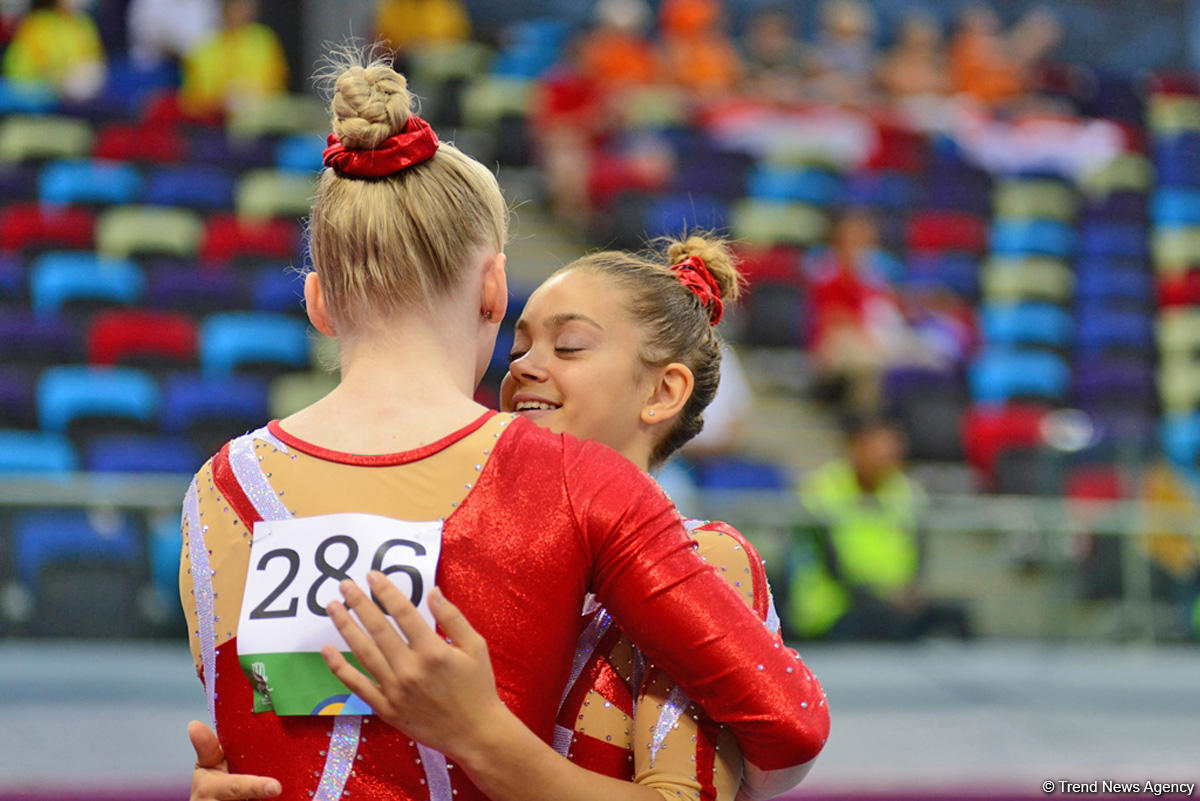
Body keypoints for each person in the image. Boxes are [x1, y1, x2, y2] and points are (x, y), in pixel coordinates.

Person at [181, 55, 827, 801]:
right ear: (493, 289)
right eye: (521, 345)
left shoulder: (217, 489)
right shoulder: (559, 484)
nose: (528, 371)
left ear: (319, 303)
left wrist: (479, 733)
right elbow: (334, 736)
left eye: (570, 345)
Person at [788, 415, 969, 641]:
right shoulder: (819, 490)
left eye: (893, 448)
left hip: (894, 603)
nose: (889, 455)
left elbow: (918, 555)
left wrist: (910, 592)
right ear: (855, 446)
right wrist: (885, 598)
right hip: (835, 608)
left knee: (957, 617)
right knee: (882, 621)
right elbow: (832, 567)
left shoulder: (906, 490)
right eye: (880, 447)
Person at [179, 0, 287, 115]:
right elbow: (191, 98)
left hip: (259, 117)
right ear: (224, 8)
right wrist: (221, 102)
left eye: (246, 5)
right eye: (236, 5)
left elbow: (278, 82)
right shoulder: (203, 47)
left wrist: (253, 96)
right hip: (214, 122)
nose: (242, 11)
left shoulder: (264, 40)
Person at [3, 0, 105, 100]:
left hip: (80, 90)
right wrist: (58, 78)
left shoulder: (84, 22)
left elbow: (96, 58)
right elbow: (23, 67)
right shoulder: (39, 23)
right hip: (32, 88)